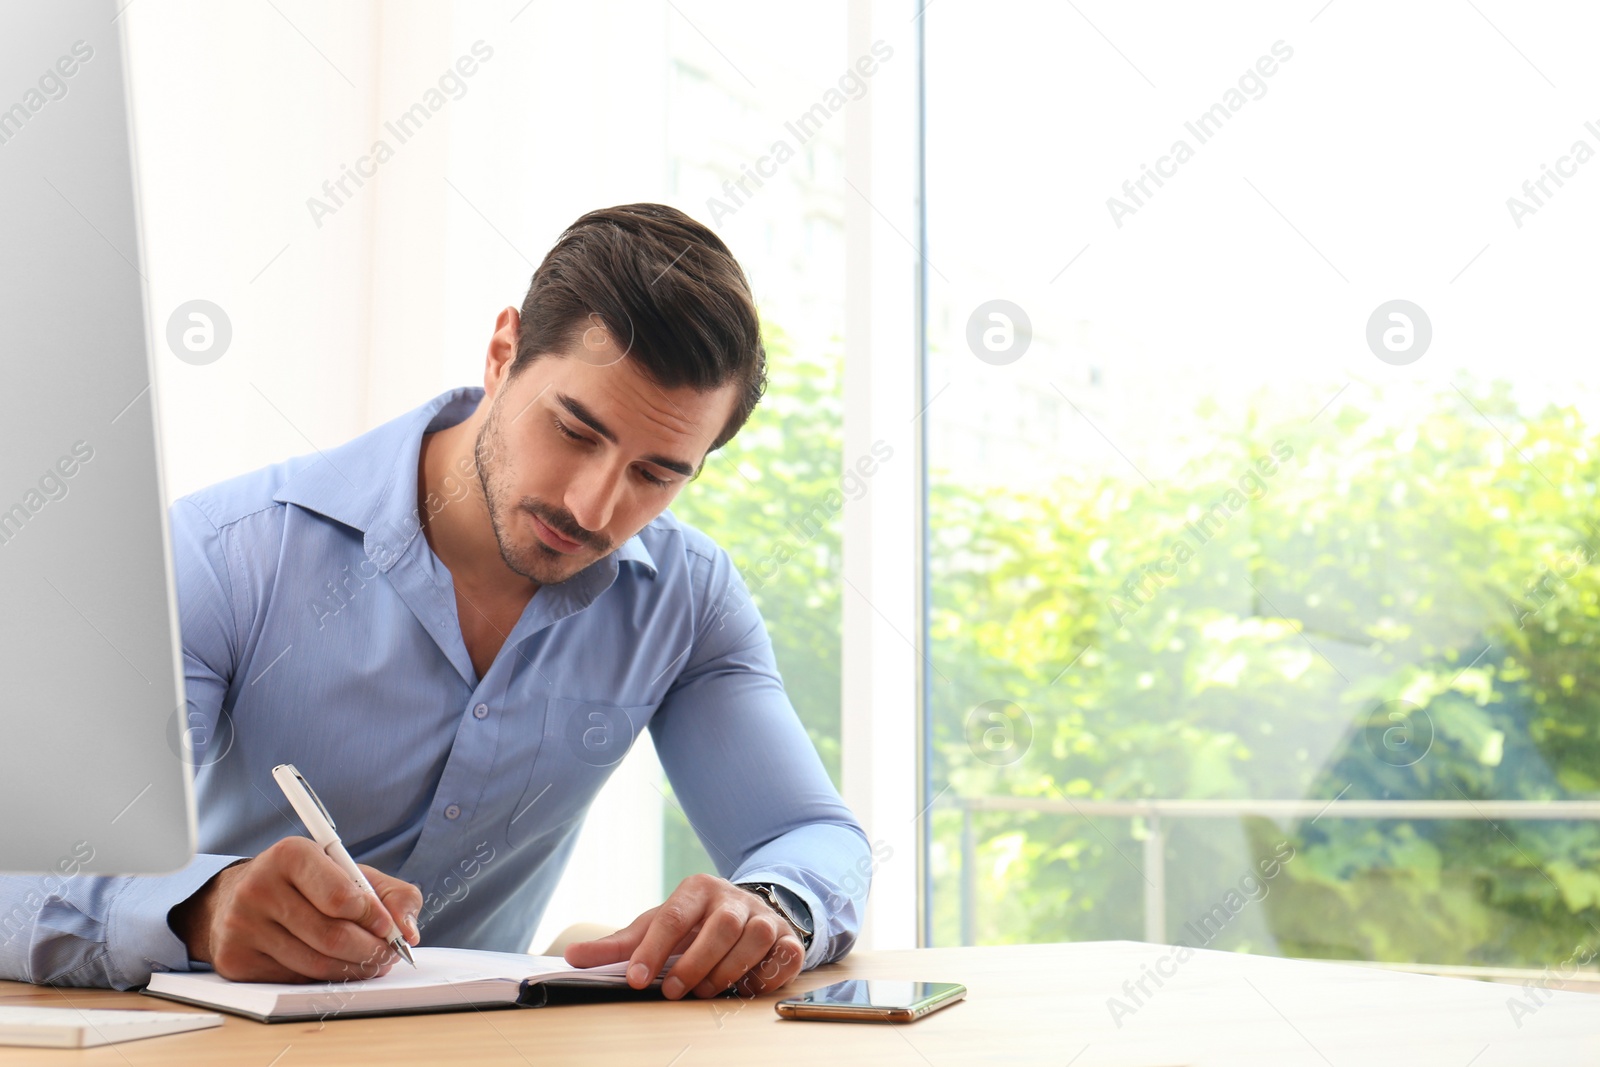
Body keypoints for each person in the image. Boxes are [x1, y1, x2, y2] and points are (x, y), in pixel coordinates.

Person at [0, 203, 870, 1001]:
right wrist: (199, 908)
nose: (594, 507)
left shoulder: (685, 598)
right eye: (574, 430)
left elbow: (812, 837)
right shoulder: (222, 558)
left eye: (656, 473)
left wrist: (770, 907)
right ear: (502, 353)